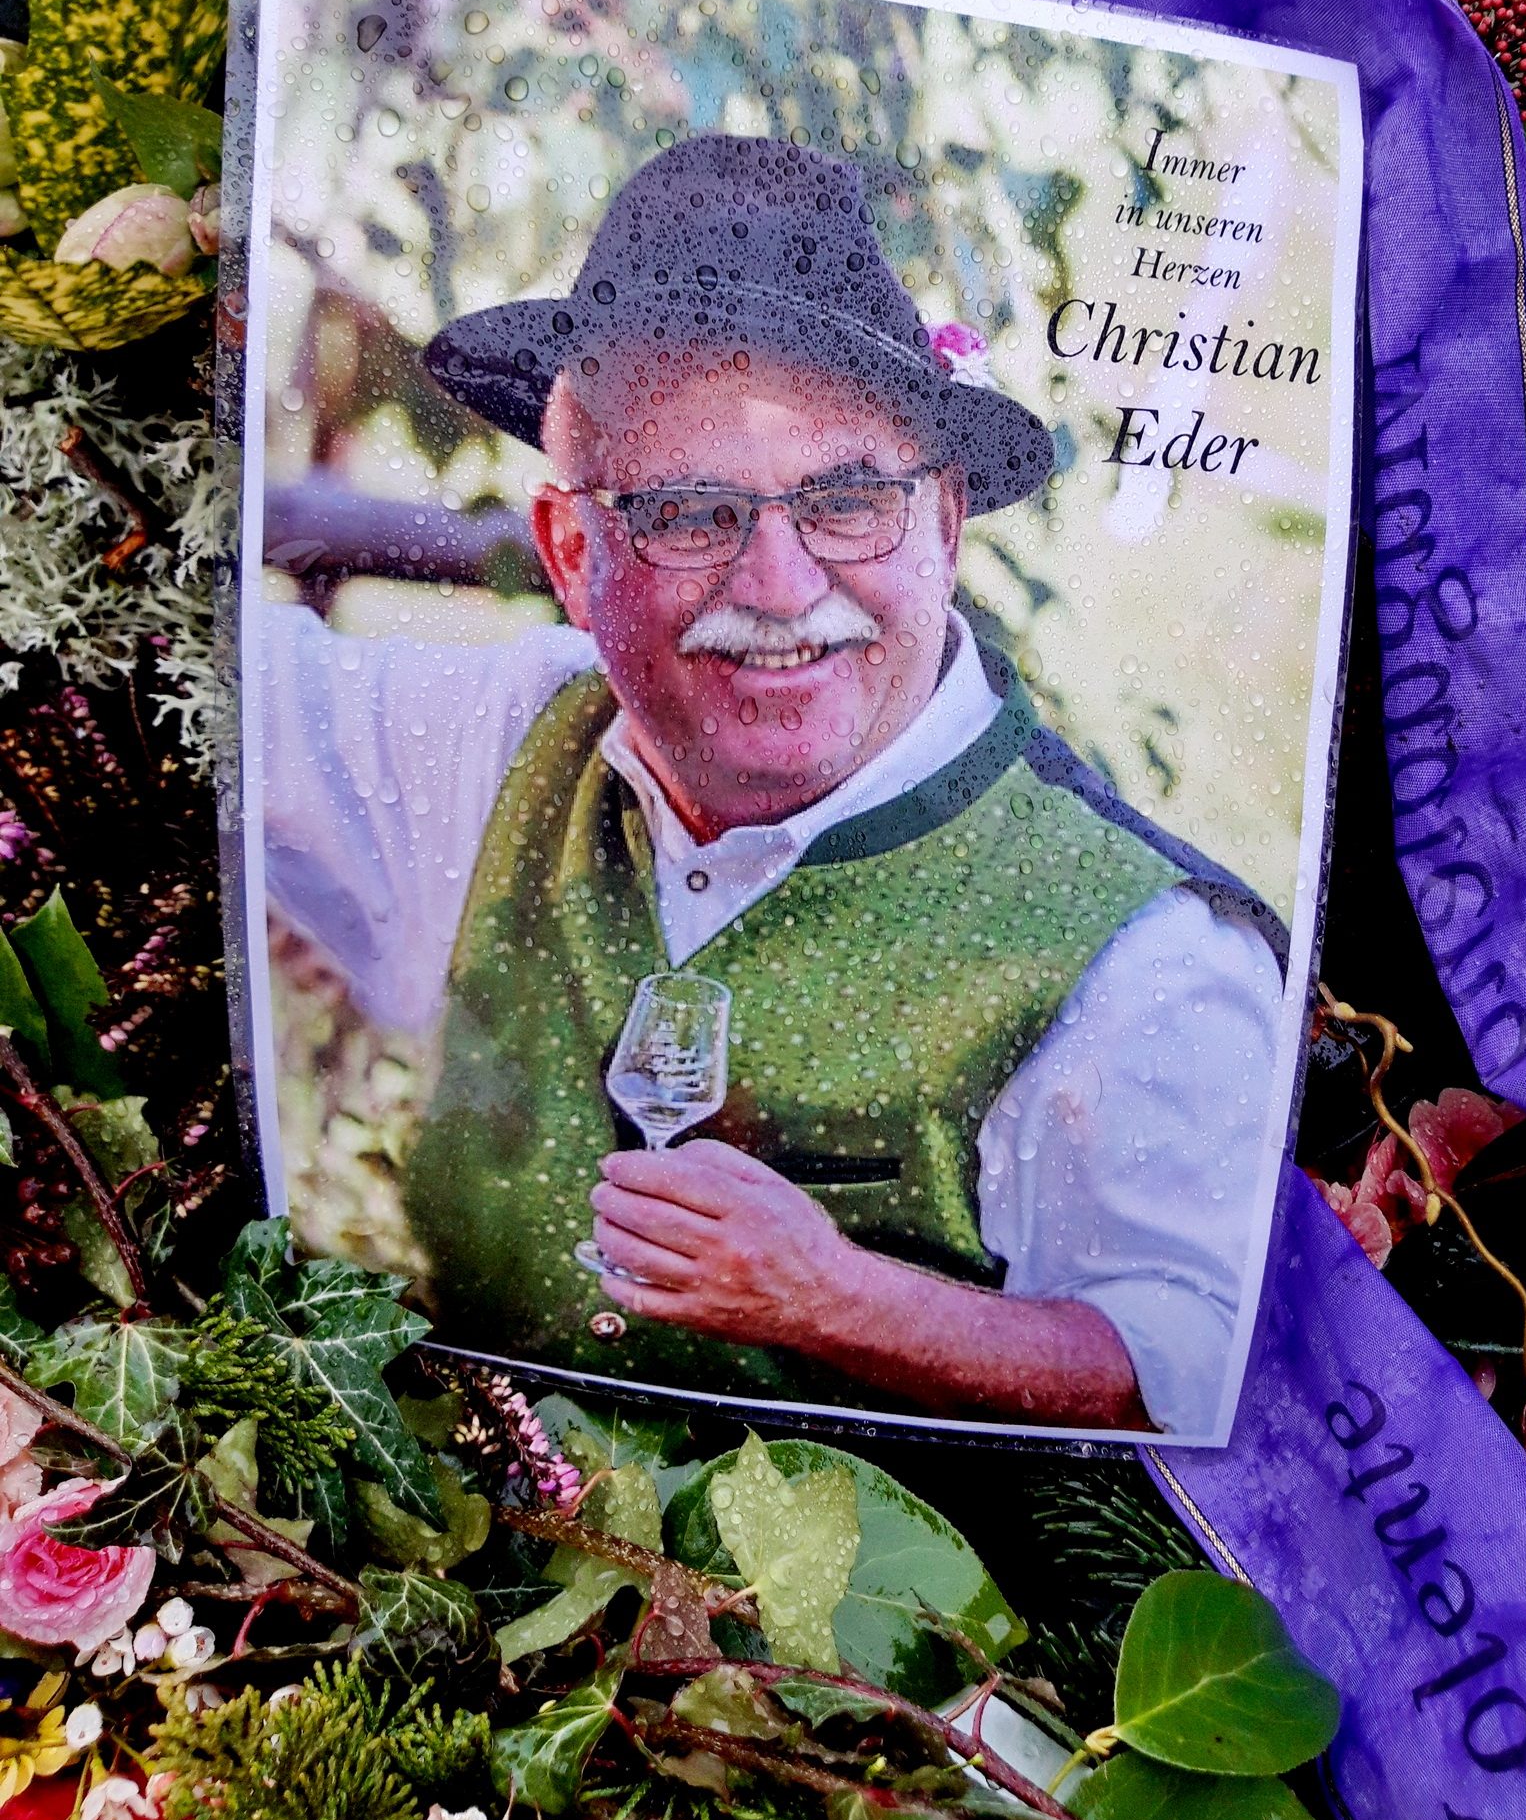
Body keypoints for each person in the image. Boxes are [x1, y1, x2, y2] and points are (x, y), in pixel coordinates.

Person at [260, 134, 1284, 1435]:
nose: (780, 589)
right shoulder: (503, 736)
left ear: (945, 524)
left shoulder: (1146, 948)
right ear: (570, 553)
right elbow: (196, 677)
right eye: (688, 514)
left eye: (848, 501)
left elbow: (1199, 1373)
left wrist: (840, 1299)